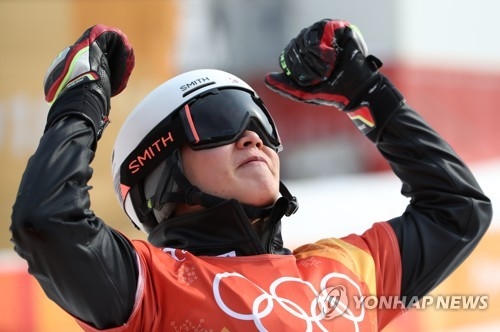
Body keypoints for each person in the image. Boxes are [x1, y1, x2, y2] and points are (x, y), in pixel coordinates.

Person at [10, 19, 491, 331]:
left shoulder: (346, 268)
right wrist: (82, 99)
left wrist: (365, 90)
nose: (251, 136)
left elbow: (460, 210)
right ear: (160, 171)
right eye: (219, 120)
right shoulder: (148, 288)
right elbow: (47, 222)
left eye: (260, 121)